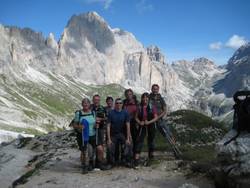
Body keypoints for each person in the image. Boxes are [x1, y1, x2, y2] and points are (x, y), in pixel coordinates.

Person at [149, 84, 177, 157]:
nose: (155, 90)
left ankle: (175, 150)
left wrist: (159, 117)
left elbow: (165, 109)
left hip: (160, 119)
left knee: (168, 134)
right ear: (151, 89)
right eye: (154, 89)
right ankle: (151, 154)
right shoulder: (149, 98)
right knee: (152, 137)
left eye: (156, 89)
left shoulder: (160, 98)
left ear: (158, 90)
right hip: (152, 120)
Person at [72, 98, 96, 174]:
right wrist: (79, 127)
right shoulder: (78, 113)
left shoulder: (93, 112)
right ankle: (84, 166)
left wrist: (96, 125)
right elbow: (74, 124)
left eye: (87, 103)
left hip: (92, 134)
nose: (85, 104)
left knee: (92, 150)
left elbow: (94, 122)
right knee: (84, 150)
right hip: (82, 135)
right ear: (82, 104)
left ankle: (91, 163)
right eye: (84, 103)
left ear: (89, 104)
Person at [107, 98, 132, 167]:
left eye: (120, 103)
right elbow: (108, 126)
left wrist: (128, 138)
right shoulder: (111, 113)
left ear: (122, 104)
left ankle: (127, 161)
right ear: (115, 104)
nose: (118, 104)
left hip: (122, 134)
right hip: (113, 134)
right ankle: (111, 163)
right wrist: (108, 139)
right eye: (117, 103)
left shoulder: (125, 113)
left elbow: (128, 125)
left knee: (128, 144)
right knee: (110, 146)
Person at [134, 92, 158, 166]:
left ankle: (151, 158)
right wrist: (139, 122)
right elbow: (136, 117)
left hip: (151, 125)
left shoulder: (152, 106)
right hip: (142, 125)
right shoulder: (139, 107)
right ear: (142, 99)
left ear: (148, 99)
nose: (145, 99)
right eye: (143, 98)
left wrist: (149, 122)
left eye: (146, 98)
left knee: (151, 141)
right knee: (139, 141)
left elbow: (156, 117)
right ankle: (136, 160)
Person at [91, 94, 110, 170]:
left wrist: (101, 119)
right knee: (92, 146)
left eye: (98, 100)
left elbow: (107, 118)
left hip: (101, 129)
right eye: (95, 100)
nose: (96, 101)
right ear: (93, 100)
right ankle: (91, 163)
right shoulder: (90, 108)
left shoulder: (102, 108)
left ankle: (100, 163)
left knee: (100, 146)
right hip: (91, 129)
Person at [122, 89, 139, 160]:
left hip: (133, 123)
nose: (128, 96)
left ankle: (133, 156)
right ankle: (126, 156)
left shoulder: (136, 103)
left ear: (132, 95)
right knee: (126, 139)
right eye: (127, 94)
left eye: (130, 94)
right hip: (125, 124)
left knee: (134, 139)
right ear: (125, 95)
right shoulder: (123, 103)